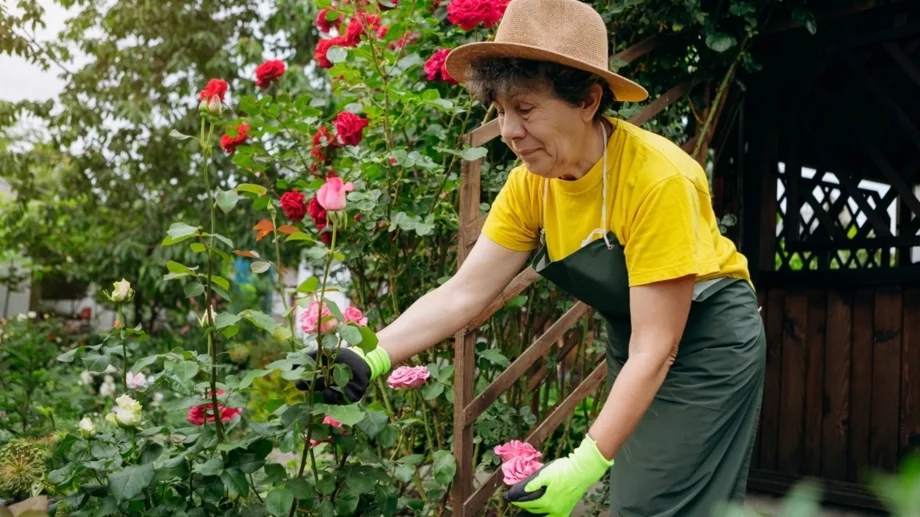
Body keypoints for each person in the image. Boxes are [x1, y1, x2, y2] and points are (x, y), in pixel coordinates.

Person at [295, 0, 767, 514]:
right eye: (499, 112)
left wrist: (584, 464)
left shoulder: (658, 179)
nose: (510, 131)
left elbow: (658, 346)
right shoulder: (530, 187)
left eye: (525, 109)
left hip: (707, 341)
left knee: (656, 505)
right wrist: (369, 354)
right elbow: (463, 293)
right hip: (635, 337)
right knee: (637, 497)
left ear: (588, 101)